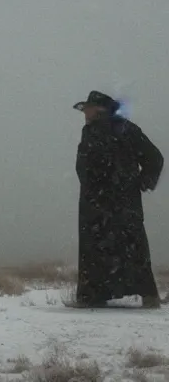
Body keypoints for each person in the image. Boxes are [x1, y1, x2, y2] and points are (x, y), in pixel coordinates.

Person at [71, 90, 163, 309]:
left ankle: (146, 296)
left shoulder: (126, 129)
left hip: (118, 203)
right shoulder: (94, 130)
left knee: (130, 246)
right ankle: (93, 296)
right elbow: (85, 166)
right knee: (101, 249)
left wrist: (142, 182)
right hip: (100, 205)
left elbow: (154, 158)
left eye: (88, 109)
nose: (85, 113)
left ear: (99, 109)